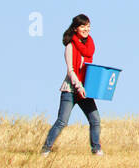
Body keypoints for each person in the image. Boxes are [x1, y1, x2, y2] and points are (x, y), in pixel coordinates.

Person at [41, 14, 103, 156]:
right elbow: (71, 71)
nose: (86, 29)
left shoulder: (89, 46)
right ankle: (46, 149)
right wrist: (79, 86)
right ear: (76, 28)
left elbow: (88, 69)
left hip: (84, 91)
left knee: (95, 120)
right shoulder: (70, 46)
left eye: (88, 26)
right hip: (70, 90)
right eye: (83, 26)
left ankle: (97, 149)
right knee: (62, 121)